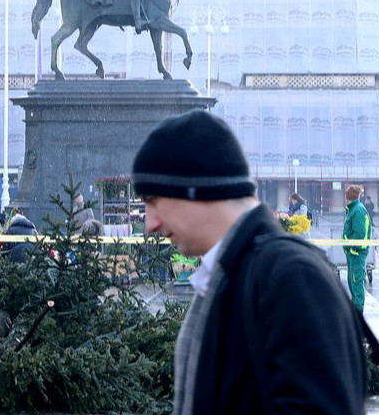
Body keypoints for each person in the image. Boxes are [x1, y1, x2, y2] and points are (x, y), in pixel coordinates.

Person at [133, 110, 366, 414]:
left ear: (198, 188)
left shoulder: (291, 277)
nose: (149, 224)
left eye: (154, 201)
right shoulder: (232, 273)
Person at [342, 184, 372, 311]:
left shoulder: (358, 210)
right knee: (352, 282)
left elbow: (359, 234)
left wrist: (352, 248)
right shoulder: (353, 209)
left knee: (356, 283)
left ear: (347, 197)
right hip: (352, 253)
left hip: (356, 253)